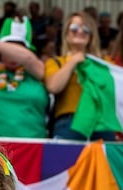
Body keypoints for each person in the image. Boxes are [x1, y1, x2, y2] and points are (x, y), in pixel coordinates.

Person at [0, 16, 48, 138]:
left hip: (33, 147)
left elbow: (27, 58)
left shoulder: (37, 71)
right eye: (9, 46)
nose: (12, 54)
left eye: (20, 46)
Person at [44, 11, 115, 141]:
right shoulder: (55, 62)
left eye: (86, 28)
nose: (80, 31)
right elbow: (54, 87)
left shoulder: (106, 62)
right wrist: (73, 61)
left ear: (92, 35)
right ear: (66, 34)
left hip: (102, 122)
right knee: (66, 161)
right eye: (74, 28)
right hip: (69, 122)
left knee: (104, 162)